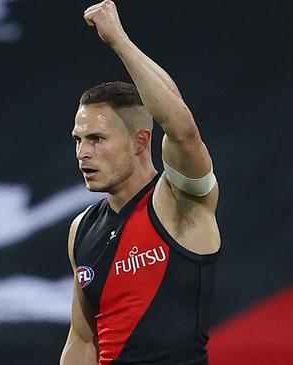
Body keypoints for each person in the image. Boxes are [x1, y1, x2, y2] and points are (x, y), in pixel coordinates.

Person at [60, 1, 220, 364]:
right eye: (78, 139)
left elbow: (181, 126)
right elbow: (83, 340)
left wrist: (118, 40)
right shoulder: (81, 229)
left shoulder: (178, 202)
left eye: (96, 139)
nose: (82, 153)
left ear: (140, 141)